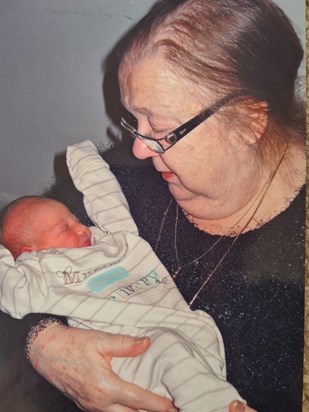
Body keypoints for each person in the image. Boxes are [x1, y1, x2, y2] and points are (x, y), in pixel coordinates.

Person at [2, 0, 304, 411]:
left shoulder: (292, 271)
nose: (138, 148)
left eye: (160, 128)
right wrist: (44, 345)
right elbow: (17, 265)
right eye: (134, 121)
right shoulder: (121, 176)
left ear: (250, 120)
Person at [0, 139, 245, 412]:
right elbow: (9, 291)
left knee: (185, 363)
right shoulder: (42, 274)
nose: (83, 229)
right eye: (64, 229)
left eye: (77, 220)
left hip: (185, 331)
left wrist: (84, 159)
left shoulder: (115, 241)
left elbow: (107, 200)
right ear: (29, 253)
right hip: (128, 358)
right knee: (171, 353)